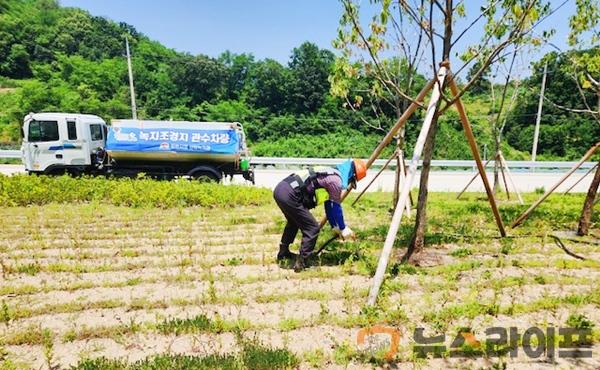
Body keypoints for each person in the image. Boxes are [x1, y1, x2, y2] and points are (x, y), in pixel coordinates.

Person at [272, 158, 367, 271]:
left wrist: (335, 227)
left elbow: (329, 207)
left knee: (294, 222)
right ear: (352, 174)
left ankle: (283, 253)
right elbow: (336, 207)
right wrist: (342, 228)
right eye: (352, 180)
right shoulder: (335, 181)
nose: (350, 184)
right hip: (289, 194)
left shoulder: (330, 173)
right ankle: (303, 263)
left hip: (281, 189)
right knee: (312, 228)